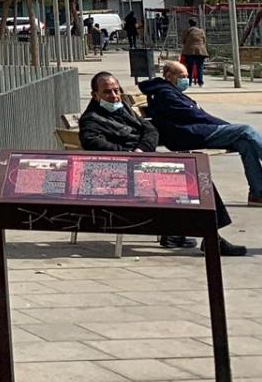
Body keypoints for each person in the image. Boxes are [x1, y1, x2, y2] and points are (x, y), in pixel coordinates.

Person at [80, 71, 244, 255]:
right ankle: (206, 237)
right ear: (95, 95)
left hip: (144, 161)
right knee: (190, 178)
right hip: (124, 173)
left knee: (198, 174)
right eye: (107, 92)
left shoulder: (123, 107)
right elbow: (94, 145)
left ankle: (188, 233)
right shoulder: (91, 120)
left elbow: (150, 130)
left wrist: (141, 151)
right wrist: (130, 155)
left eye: (116, 90)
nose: (114, 96)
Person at [139, 60, 262, 205]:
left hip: (194, 131)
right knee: (246, 130)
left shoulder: (167, 91)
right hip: (188, 135)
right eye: (181, 76)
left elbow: (196, 115)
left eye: (186, 76)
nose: (186, 80)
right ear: (169, 76)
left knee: (245, 143)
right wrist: (225, 127)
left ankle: (259, 193)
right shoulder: (165, 94)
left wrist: (224, 127)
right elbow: (195, 115)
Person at [182, 22, 209, 87]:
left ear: (189, 24)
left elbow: (183, 40)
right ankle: (200, 82)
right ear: (196, 24)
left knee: (189, 67)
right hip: (200, 51)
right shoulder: (201, 31)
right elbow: (204, 41)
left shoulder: (187, 31)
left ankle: (189, 82)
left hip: (189, 51)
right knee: (200, 67)